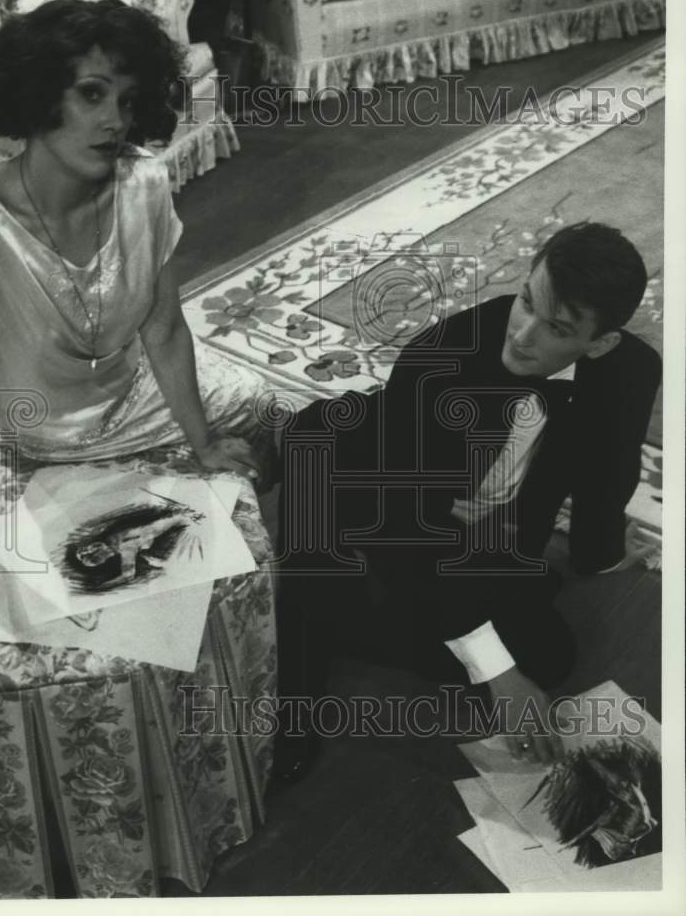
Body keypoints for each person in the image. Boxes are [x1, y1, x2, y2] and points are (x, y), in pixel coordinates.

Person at [273, 222, 661, 776]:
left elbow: (610, 471)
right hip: (360, 487)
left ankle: (390, 617)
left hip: (457, 525)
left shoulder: (632, 371)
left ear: (600, 344)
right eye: (525, 302)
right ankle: (300, 666)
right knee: (322, 590)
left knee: (551, 658)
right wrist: (498, 671)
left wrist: (599, 555)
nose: (523, 334)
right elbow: (403, 529)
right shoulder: (436, 360)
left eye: (555, 327)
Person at [0, 0, 263, 608]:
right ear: (38, 97)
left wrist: (204, 443)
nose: (115, 122)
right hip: (42, 434)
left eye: (129, 101)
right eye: (92, 94)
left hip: (136, 397)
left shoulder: (146, 183)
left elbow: (163, 330)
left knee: (275, 415)